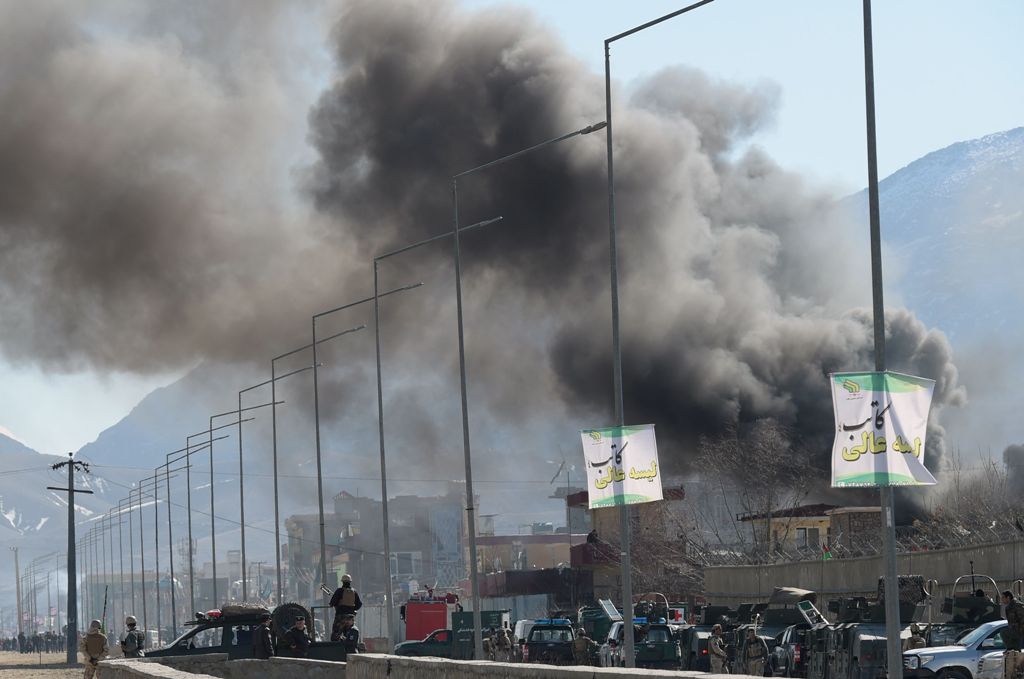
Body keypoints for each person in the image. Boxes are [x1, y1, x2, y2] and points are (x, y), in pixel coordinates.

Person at [330, 574, 363, 641]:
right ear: (350, 582)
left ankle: (335, 649)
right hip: (350, 617)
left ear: (342, 582)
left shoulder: (339, 591)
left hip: (341, 616)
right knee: (349, 634)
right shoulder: (354, 592)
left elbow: (332, 603)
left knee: (335, 635)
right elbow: (359, 604)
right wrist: (352, 609)